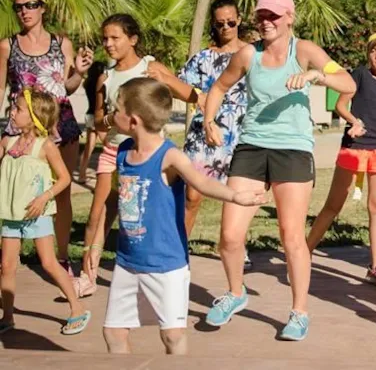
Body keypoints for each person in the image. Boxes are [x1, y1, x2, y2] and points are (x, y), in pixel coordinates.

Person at [202, 0, 355, 342]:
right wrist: (210, 121)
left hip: (293, 150)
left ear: (289, 17)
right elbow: (219, 87)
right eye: (261, 16)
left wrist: (316, 76)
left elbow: (346, 81)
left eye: (273, 15)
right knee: (228, 235)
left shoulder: (304, 51)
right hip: (252, 147)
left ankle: (299, 312)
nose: (266, 22)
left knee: (291, 237)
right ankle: (236, 292)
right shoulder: (247, 54)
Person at [82, 78, 265, 355]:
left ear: (132, 121)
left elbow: (202, 183)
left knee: (172, 336)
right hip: (128, 262)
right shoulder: (122, 153)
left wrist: (235, 195)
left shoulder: (169, 156)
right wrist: (96, 244)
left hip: (166, 264)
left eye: (114, 110)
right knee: (114, 332)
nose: (109, 116)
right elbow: (115, 200)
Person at [0, 0, 94, 270]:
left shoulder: (61, 42)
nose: (24, 11)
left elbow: (67, 86)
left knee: (61, 191)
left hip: (60, 127)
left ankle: (61, 256)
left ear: (43, 8)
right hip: (21, 130)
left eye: (30, 5)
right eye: (19, 7)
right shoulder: (7, 45)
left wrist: (78, 72)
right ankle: (10, 252)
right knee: (11, 188)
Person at [306, 33, 376, 288]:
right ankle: (303, 252)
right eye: (374, 50)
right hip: (354, 147)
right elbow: (341, 105)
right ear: (368, 54)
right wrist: (354, 121)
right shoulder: (360, 75)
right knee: (333, 206)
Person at [144, 0, 249, 241]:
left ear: (239, 20)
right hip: (204, 131)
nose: (225, 27)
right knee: (192, 195)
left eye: (230, 22)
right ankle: (179, 248)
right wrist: (196, 96)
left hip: (240, 132)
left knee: (236, 195)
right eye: (220, 23)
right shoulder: (203, 58)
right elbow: (179, 86)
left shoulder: (250, 54)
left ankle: (235, 247)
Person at [80, 14, 169, 298]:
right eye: (105, 38)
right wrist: (112, 121)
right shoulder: (106, 78)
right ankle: (87, 275)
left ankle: (151, 274)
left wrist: (202, 100)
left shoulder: (150, 68)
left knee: (143, 215)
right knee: (99, 214)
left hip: (148, 155)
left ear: (133, 39)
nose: (108, 44)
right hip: (113, 152)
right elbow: (97, 122)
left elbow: (175, 94)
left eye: (115, 38)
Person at [0, 89, 91, 336]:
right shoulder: (7, 143)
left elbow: (63, 179)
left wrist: (44, 198)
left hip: (37, 213)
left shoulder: (46, 146)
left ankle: (77, 307)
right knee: (7, 265)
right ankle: (7, 316)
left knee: (49, 262)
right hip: (11, 214)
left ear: (34, 116)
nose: (12, 111)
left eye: (18, 109)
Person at [77, 60, 109, 185]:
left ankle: (82, 174)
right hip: (100, 116)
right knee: (108, 146)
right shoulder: (101, 85)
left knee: (88, 147)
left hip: (89, 114)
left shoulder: (87, 83)